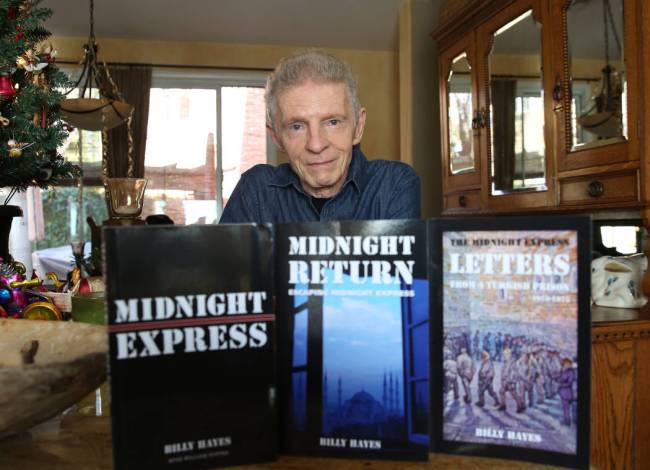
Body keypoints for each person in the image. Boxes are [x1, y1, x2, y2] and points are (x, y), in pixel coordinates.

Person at [219, 50, 420, 224]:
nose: (316, 145)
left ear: (358, 127)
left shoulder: (393, 183)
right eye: (297, 126)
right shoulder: (256, 191)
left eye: (332, 122)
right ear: (276, 137)